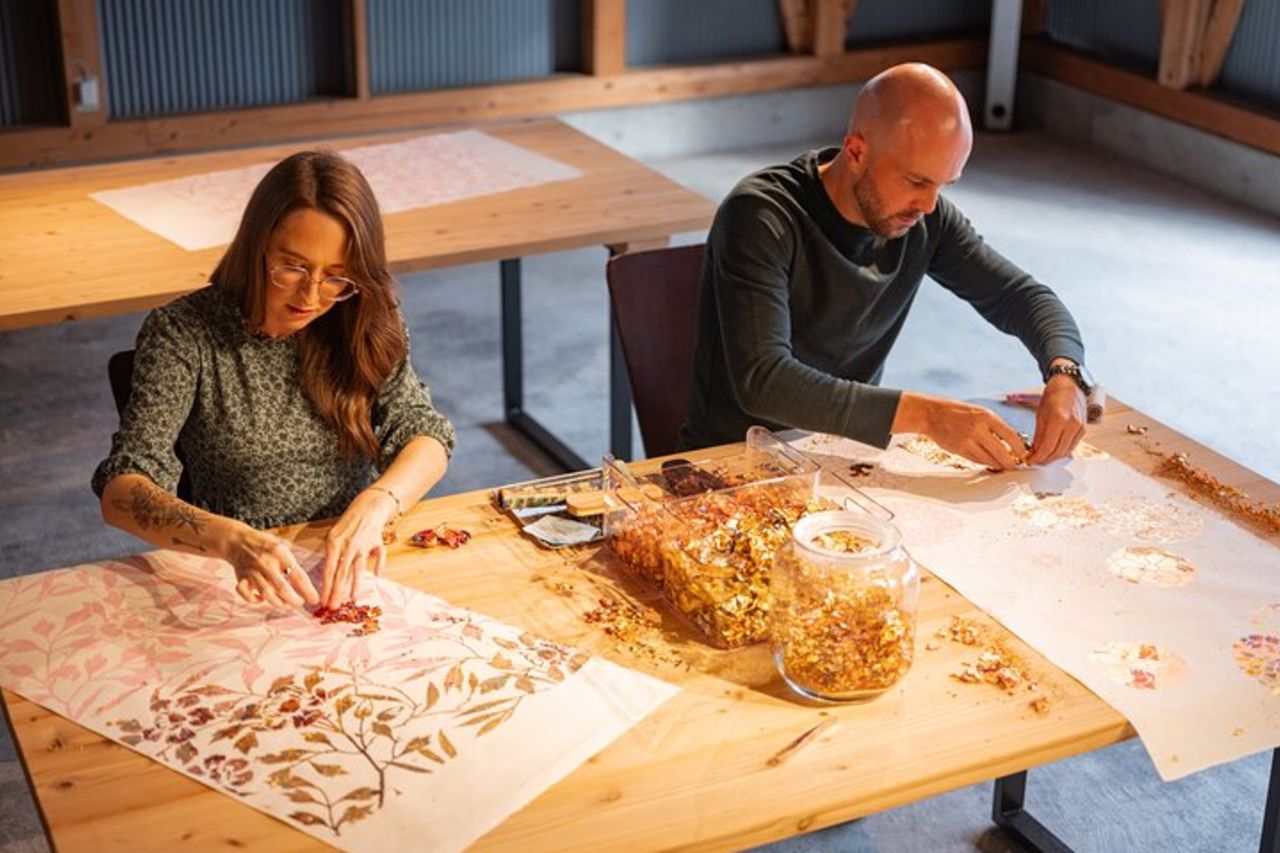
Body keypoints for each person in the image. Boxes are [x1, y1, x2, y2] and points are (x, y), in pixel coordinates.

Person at [679, 63, 1094, 469]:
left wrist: (1066, 374)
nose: (929, 205)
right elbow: (765, 382)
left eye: (944, 184)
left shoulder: (925, 218)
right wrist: (927, 416)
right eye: (916, 181)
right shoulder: (761, 215)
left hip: (843, 456)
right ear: (856, 151)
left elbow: (1021, 297)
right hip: (732, 465)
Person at [93, 151, 455, 611]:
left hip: (352, 561)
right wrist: (230, 540)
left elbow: (425, 434)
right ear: (255, 245)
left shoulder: (362, 316)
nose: (311, 296)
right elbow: (122, 491)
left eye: (337, 277)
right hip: (244, 575)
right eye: (293, 267)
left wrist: (378, 502)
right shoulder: (184, 332)